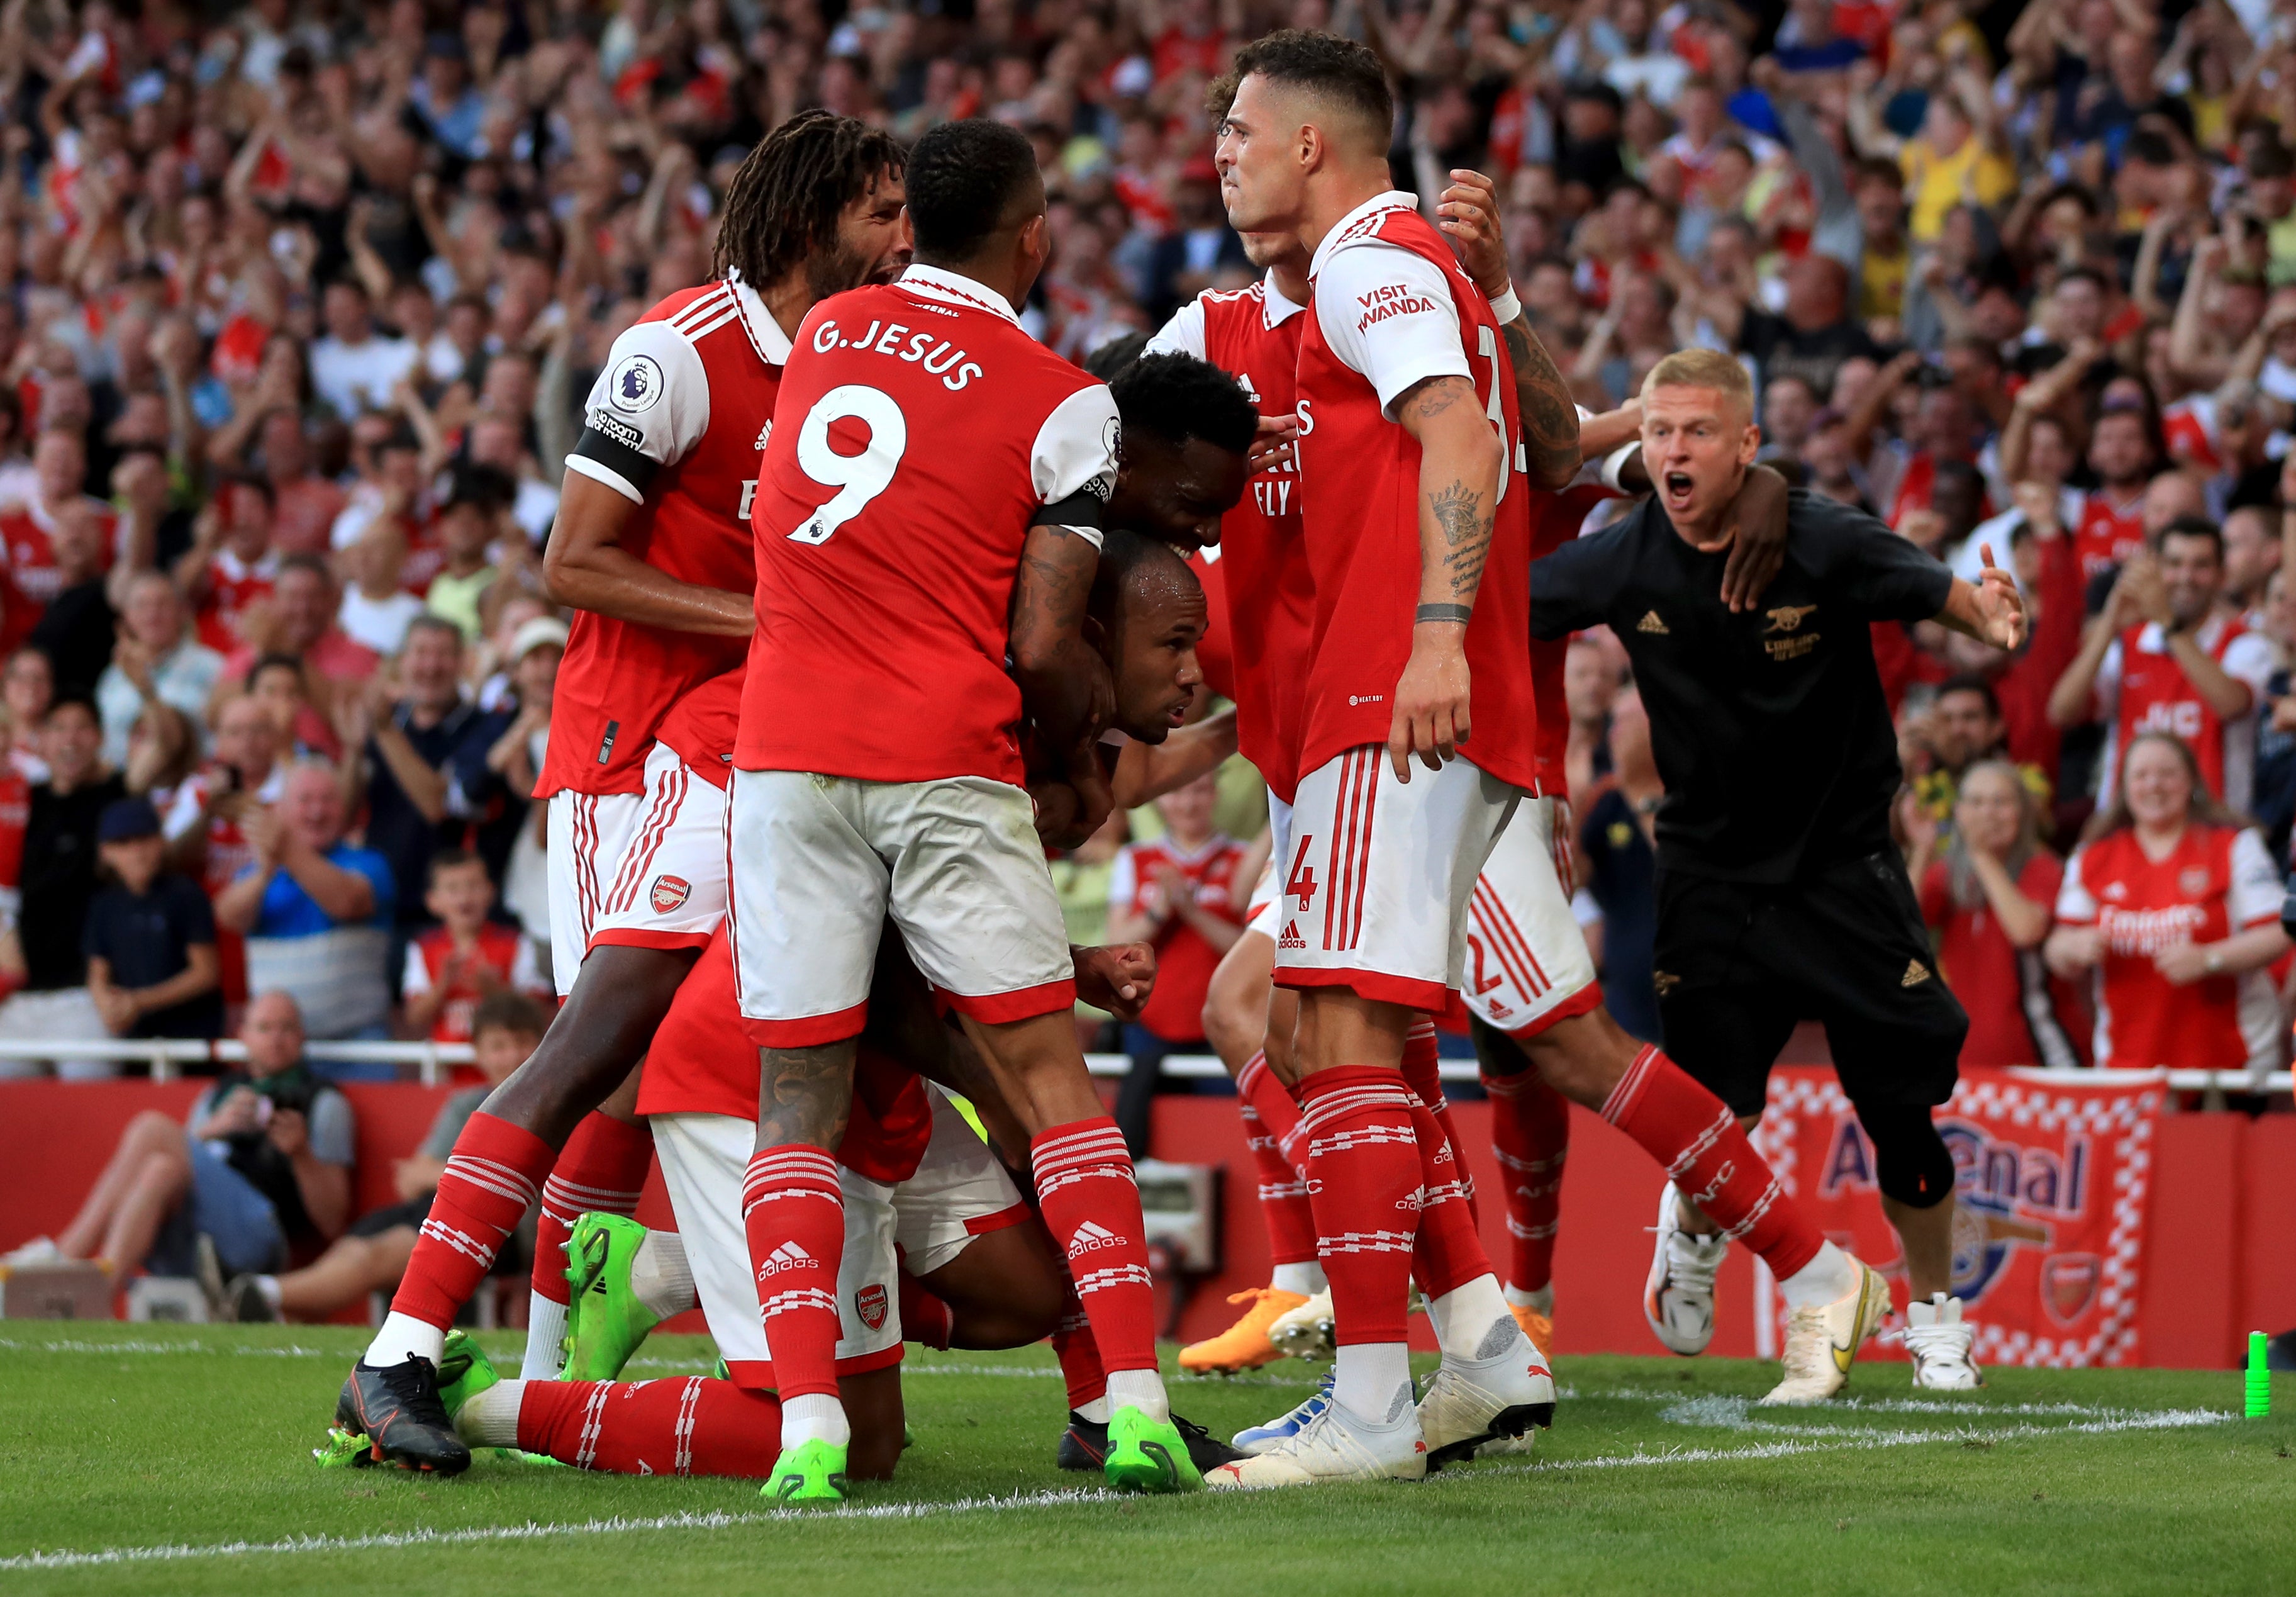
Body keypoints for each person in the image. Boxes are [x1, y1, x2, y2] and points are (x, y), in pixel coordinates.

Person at [333, 111, 915, 1477]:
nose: (904, 242)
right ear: (808, 217)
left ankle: (516, 1378)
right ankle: (423, 1354)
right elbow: (574, 563)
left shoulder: (858, 360)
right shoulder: (676, 355)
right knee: (598, 1060)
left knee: (636, 1064)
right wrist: (775, 623)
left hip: (747, 739)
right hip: (629, 749)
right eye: (881, 215)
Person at [725, 118, 1218, 1501]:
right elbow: (1049, 639)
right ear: (1033, 237)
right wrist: (1082, 748)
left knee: (797, 1099)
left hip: (784, 756)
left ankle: (811, 1434)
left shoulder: (823, 333)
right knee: (1049, 1086)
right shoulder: (1063, 396)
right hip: (939, 753)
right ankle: (1130, 1406)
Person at [1528, 347, 2030, 1396]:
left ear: (1747, 445)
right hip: (1708, 871)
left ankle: (1937, 1318)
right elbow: (1498, 601)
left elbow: (1942, 596)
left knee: (1899, 1112)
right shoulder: (1624, 558)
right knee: (1720, 1105)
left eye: (1699, 432)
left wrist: (1991, 613)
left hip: (1845, 867)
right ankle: (1695, 1227)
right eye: (1660, 431)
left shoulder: (1820, 534)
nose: (1675, 450)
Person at [1207, 31, 1566, 1486]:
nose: (1220, 151)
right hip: (1379, 703)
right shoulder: (1357, 277)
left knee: (1338, 1033)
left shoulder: (1373, 260)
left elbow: (1463, 439)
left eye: (1240, 128)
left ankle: (1366, 1402)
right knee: (1325, 1030)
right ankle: (1479, 1339)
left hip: (1394, 694)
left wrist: (1429, 635)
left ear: (1312, 144)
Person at [217, 994, 547, 1323]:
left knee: (376, 1255)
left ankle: (259, 1294)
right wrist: (478, 1175)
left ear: (543, 1045)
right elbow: (409, 1181)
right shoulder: (466, 1104)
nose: (513, 1056)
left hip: (503, 1231)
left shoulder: (554, 1107)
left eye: (522, 1043)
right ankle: (266, 1298)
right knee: (360, 1241)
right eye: (499, 1046)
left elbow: (521, 1186)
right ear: (479, 1054)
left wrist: (446, 1173)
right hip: (444, 1209)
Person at [4, 994, 352, 1280]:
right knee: (161, 1169)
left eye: (287, 1028)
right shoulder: (220, 1093)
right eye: (265, 1028)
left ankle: (66, 1253)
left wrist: (301, 1153)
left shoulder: (323, 1101)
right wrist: (213, 1130)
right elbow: (183, 1161)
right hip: (193, 1235)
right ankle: (99, 1292)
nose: (276, 1039)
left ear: (302, 1036)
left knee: (151, 1127)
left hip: (261, 1238)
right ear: (243, 1035)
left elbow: (334, 1220)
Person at [2045, 733, 2290, 1072]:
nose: (2154, 785)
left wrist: (2210, 959)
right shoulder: (2093, 856)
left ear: (2191, 780)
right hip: (2127, 1063)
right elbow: (2056, 947)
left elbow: (2279, 934)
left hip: (2230, 1062)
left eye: (2167, 773)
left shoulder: (2234, 846)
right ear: (2123, 786)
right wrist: (2073, 948)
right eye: (2141, 775)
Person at [2048, 518, 2275, 815]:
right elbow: (2061, 712)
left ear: (2222, 575)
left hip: (2214, 829)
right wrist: (2109, 622)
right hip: (2129, 829)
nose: (2186, 577)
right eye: (2174, 564)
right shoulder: (2129, 645)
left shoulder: (2245, 644)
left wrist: (2167, 622)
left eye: (2201, 566)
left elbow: (2230, 705)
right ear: (2157, 570)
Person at [1105, 773, 1247, 1153]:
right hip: (1151, 1023)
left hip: (1223, 1023)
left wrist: (1190, 910)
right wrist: (1157, 912)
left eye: (1199, 790)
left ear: (1215, 794)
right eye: (1178, 793)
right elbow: (1112, 947)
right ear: (1160, 802)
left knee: (1227, 1137)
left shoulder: (1244, 858)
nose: (1188, 804)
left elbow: (1254, 949)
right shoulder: (1134, 857)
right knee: (1144, 1138)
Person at [214, 759, 397, 1046]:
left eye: (328, 800)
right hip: (279, 1048)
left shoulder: (368, 863)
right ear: (281, 810)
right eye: (305, 800)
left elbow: (347, 902)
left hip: (360, 1043)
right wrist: (265, 872)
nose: (317, 811)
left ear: (345, 808)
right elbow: (229, 916)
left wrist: (286, 848)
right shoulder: (260, 872)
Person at [1914, 761, 2078, 1068]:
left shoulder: (2043, 867)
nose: (1988, 813)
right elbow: (1899, 926)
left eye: (2000, 802)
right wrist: (1923, 851)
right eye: (1976, 802)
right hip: (1966, 1060)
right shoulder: (1948, 873)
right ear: (1959, 812)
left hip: (2040, 1058)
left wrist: (1980, 854)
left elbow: (2026, 930)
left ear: (2022, 812)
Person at [0, 696, 127, 1068]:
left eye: (83, 728)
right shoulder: (22, 800)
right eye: (59, 728)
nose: (71, 739)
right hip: (19, 1000)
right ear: (40, 739)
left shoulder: (117, 798)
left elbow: (163, 754)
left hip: (87, 999)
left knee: (95, 1115)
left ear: (101, 738)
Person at [81, 797, 223, 1041]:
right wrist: (108, 1006)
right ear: (106, 852)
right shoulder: (104, 905)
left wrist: (138, 1001)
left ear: (161, 842)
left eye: (144, 839)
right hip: (135, 1037)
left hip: (190, 1034)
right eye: (123, 843)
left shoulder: (185, 894)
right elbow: (97, 974)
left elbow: (206, 973)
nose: (136, 852)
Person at [401, 849, 546, 1045]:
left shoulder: (515, 942)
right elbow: (414, 1017)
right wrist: (443, 985)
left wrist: (495, 990)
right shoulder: (423, 947)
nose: (465, 897)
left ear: (491, 891)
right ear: (433, 901)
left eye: (473, 886)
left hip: (505, 1065)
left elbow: (539, 1011)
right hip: (448, 1068)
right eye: (453, 889)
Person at [95, 573, 226, 770]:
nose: (153, 614)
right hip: (123, 785)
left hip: (190, 783)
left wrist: (146, 690)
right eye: (142, 605)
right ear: (127, 617)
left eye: (162, 604)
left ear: (182, 611)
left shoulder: (213, 668)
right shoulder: (113, 677)